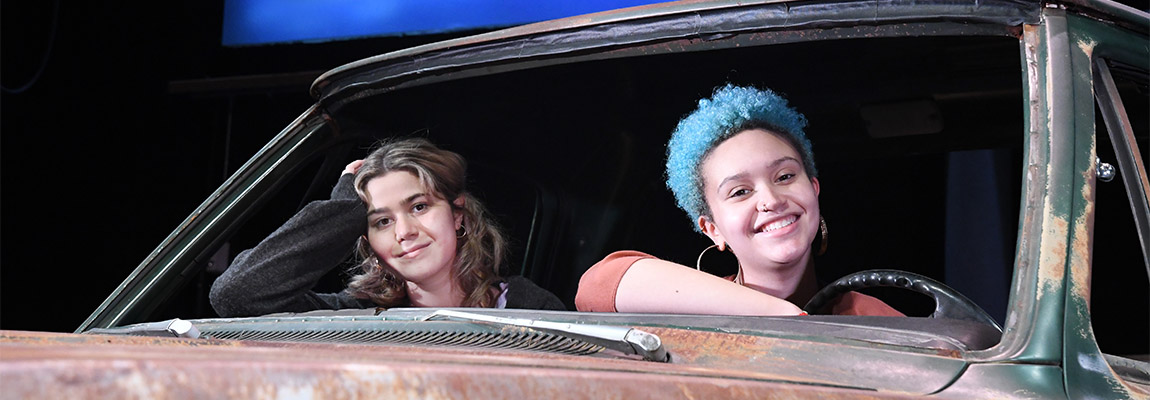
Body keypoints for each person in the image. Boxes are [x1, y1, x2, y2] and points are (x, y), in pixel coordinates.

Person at [575, 84, 902, 316]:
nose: (771, 200)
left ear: (814, 189)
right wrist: (783, 314)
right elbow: (597, 286)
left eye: (785, 177)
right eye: (740, 191)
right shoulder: (690, 311)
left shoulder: (872, 318)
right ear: (712, 228)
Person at [210, 137, 565, 317]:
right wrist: (344, 209)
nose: (404, 231)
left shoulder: (528, 308)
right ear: (367, 241)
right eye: (382, 221)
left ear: (458, 215)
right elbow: (236, 295)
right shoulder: (357, 317)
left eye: (420, 207)